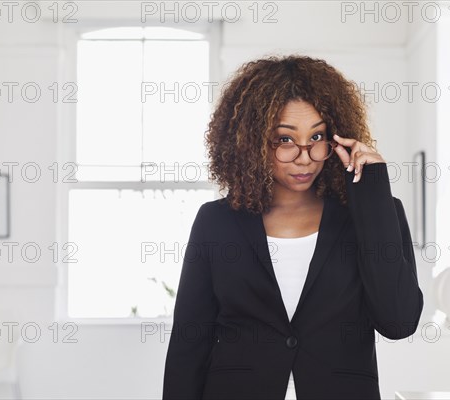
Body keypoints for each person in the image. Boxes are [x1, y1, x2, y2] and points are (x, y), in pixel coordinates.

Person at [162, 55, 424, 400]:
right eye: (285, 140)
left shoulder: (376, 214)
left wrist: (372, 189)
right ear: (252, 143)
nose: (305, 156)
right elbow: (188, 343)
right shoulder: (216, 222)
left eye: (317, 136)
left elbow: (398, 322)